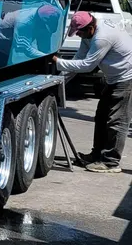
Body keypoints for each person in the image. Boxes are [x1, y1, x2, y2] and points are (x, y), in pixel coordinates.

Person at [53, 10, 132, 173]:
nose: (78, 36)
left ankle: (111, 162)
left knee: (117, 120)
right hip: (114, 78)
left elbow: (87, 66)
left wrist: (58, 62)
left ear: (89, 28)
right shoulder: (89, 35)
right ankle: (97, 155)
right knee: (102, 116)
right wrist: (58, 82)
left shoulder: (102, 37)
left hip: (126, 78)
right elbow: (78, 61)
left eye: (79, 32)